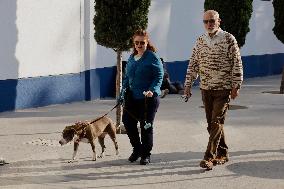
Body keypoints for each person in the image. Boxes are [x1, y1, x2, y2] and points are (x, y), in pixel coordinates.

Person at [184, 10, 243, 170]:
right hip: (206, 88)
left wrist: (236, 85)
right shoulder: (200, 41)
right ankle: (223, 153)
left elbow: (237, 62)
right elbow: (193, 63)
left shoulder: (229, 39)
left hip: (223, 89)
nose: (209, 24)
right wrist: (188, 84)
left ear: (219, 21)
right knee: (212, 125)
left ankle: (209, 158)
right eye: (206, 22)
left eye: (212, 21)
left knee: (216, 122)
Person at [119, 30, 164, 165]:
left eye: (142, 42)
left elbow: (159, 76)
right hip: (132, 97)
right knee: (127, 122)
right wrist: (122, 94)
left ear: (147, 42)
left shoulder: (152, 57)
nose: (139, 45)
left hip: (148, 99)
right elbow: (127, 78)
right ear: (134, 44)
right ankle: (137, 149)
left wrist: (153, 90)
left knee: (146, 126)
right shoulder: (132, 58)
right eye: (137, 42)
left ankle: (146, 154)